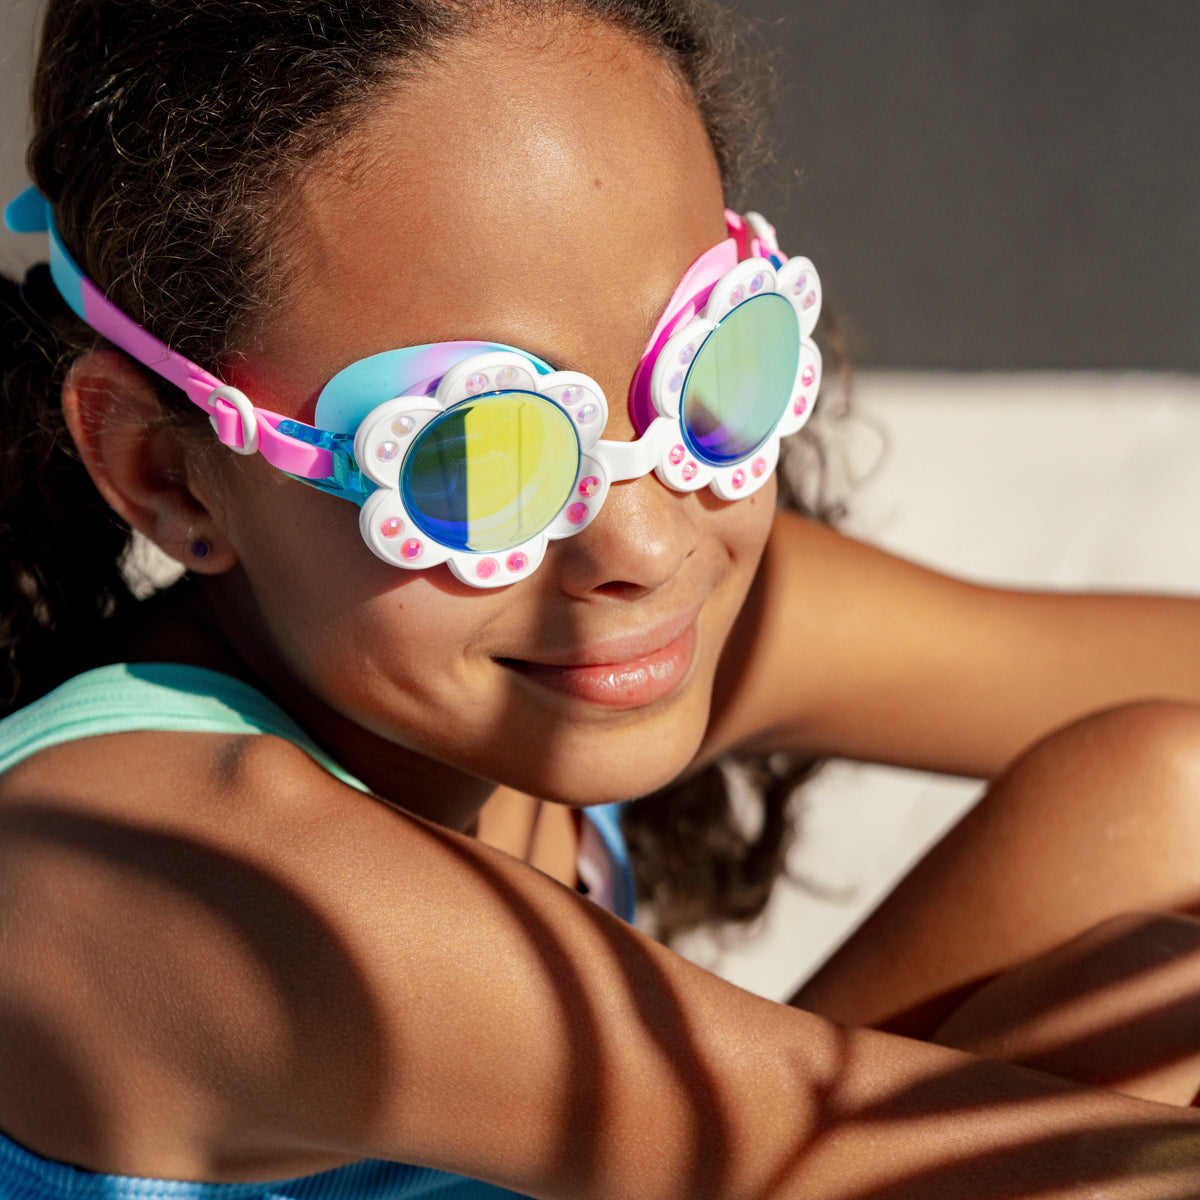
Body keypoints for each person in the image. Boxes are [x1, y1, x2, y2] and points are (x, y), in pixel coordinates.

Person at [5, 1, 1200, 1196]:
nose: (646, 540)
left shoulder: (557, 622)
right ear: (165, 472)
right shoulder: (179, 875)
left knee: (1163, 807)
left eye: (712, 362)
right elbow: (817, 1145)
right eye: (480, 454)